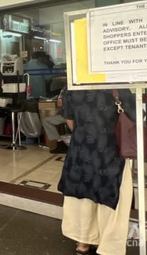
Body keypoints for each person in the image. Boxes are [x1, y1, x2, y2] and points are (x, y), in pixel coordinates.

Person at [59, 89, 134, 255]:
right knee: (111, 197)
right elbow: (133, 119)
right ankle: (108, 247)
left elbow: (70, 120)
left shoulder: (72, 86)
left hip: (81, 149)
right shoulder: (118, 86)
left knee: (83, 195)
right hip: (111, 151)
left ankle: (83, 243)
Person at [42, 87, 69, 154]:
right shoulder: (64, 90)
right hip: (66, 114)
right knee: (46, 121)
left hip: (81, 116)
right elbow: (59, 104)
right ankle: (60, 143)